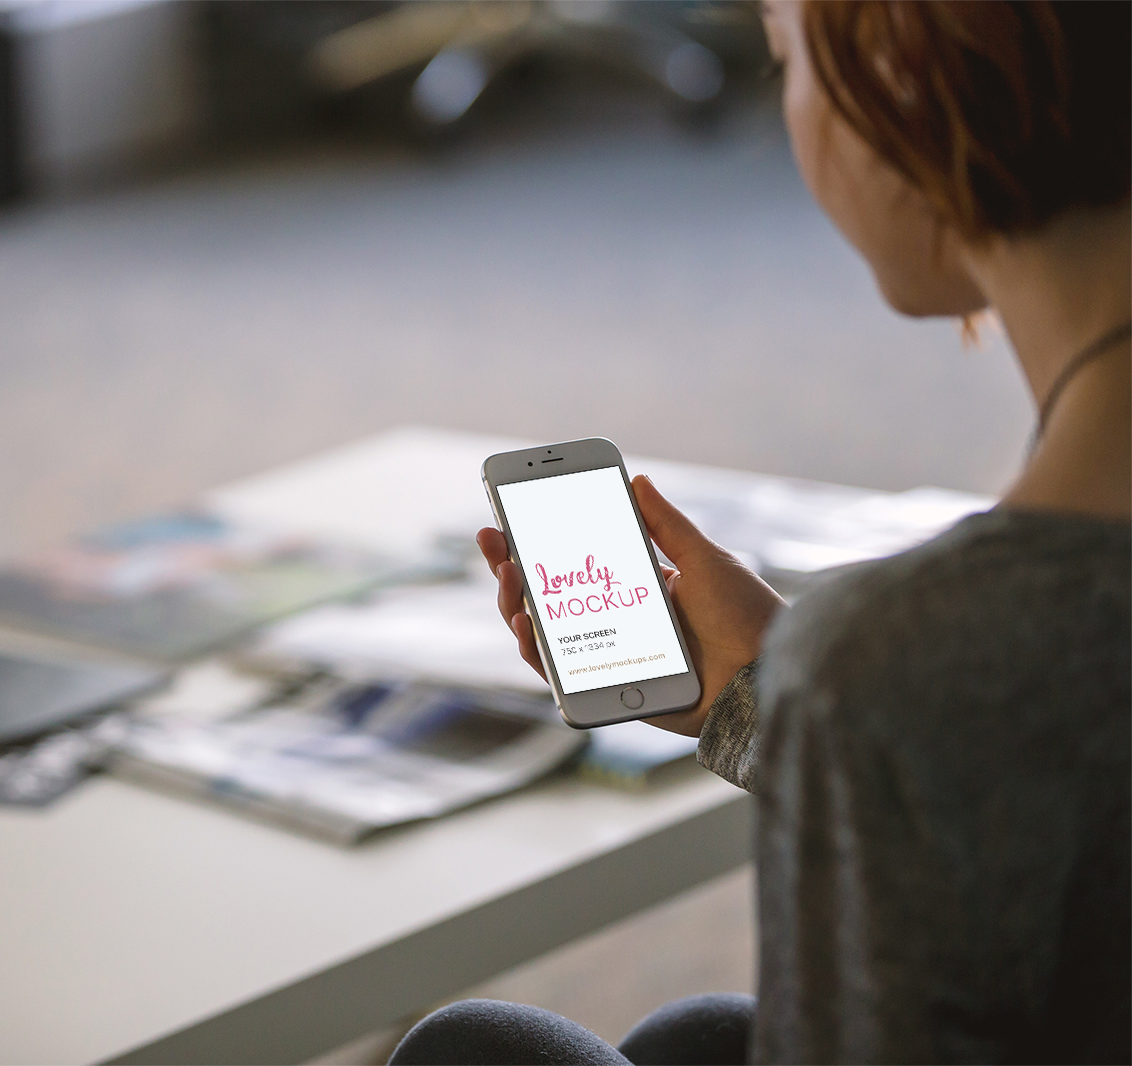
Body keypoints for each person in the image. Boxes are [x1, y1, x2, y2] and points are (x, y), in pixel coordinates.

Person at [391, 2, 1130, 1063]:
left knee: (473, 1052)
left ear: (907, 86)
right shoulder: (931, 662)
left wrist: (853, 693)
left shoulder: (912, 659)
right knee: (694, 1040)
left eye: (785, 63)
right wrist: (761, 700)